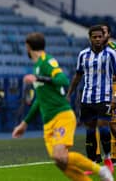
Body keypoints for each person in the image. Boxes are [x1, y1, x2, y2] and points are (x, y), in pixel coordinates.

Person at [12, 32, 114, 181]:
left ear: (28, 47)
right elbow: (39, 100)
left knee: (60, 155)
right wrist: (24, 123)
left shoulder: (47, 61)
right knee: (60, 162)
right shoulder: (37, 67)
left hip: (62, 116)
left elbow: (63, 80)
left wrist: (39, 78)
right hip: (48, 123)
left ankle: (101, 170)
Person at [66, 25, 116, 174]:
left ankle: (107, 158)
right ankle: (92, 163)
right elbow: (78, 76)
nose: (97, 39)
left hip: (105, 97)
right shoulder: (83, 55)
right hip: (87, 98)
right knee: (89, 131)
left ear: (104, 37)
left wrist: (115, 96)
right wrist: (69, 94)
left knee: (104, 128)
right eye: (94, 37)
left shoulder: (111, 54)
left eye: (100, 36)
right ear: (90, 38)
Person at [102, 23, 116, 163]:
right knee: (108, 123)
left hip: (114, 87)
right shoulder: (96, 50)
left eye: (104, 32)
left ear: (109, 35)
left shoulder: (114, 48)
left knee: (112, 123)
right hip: (104, 89)